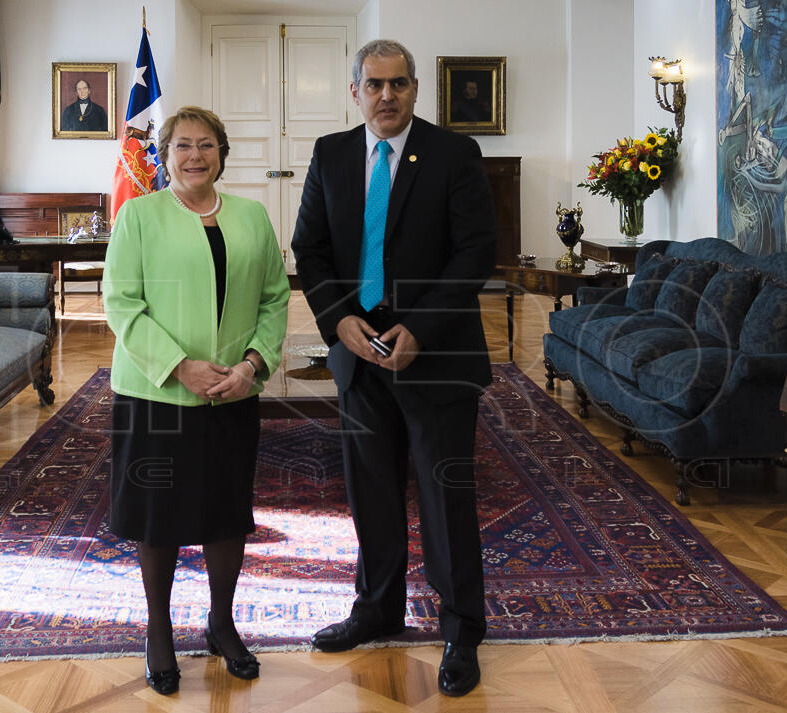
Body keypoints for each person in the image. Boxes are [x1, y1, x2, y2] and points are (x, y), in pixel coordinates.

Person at [291, 39, 496, 698]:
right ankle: (377, 607)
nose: (387, 96)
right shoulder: (330, 155)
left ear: (414, 90)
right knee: (370, 491)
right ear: (355, 90)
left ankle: (461, 626)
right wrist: (340, 324)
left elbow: (475, 253)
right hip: (360, 357)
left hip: (435, 357)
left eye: (399, 84)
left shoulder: (453, 154)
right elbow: (310, 249)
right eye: (374, 84)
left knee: (445, 497)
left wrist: (422, 328)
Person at [103, 106, 289, 695]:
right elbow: (121, 303)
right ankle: (159, 630)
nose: (195, 156)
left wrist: (253, 365)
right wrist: (179, 366)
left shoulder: (253, 216)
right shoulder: (137, 216)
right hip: (157, 392)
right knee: (158, 517)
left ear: (221, 154)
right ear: (164, 154)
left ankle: (221, 622)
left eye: (206, 145)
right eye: (182, 145)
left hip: (233, 391)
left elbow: (275, 298)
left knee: (226, 509)